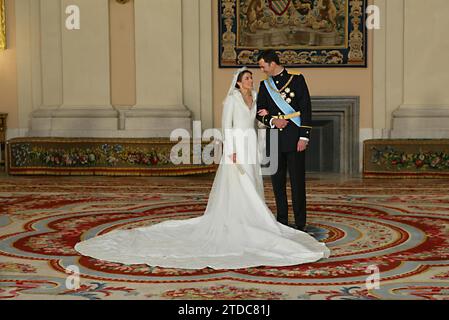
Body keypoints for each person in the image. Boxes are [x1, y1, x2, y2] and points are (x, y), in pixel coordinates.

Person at [74, 68, 330, 270]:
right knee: (238, 184)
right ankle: (238, 219)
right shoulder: (231, 99)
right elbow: (225, 125)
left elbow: (261, 120)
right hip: (236, 146)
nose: (251, 80)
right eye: (247, 78)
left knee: (252, 182)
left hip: (251, 145)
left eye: (252, 77)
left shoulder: (254, 99)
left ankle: (252, 218)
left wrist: (265, 120)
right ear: (238, 83)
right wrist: (229, 149)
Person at [256, 50, 312, 232]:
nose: (262, 70)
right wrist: (273, 120)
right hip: (274, 137)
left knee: (297, 181)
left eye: (263, 66)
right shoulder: (264, 85)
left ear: (272, 63)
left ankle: (300, 222)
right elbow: (260, 112)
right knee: (277, 182)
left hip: (295, 136)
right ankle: (282, 221)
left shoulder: (297, 79)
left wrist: (304, 137)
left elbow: (306, 108)